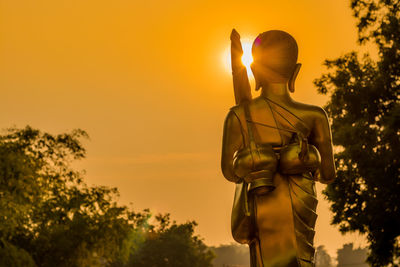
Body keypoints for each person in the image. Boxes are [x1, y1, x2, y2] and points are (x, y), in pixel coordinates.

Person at [221, 30, 336, 267]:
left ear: (255, 72)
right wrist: (306, 161)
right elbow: (328, 175)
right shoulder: (315, 116)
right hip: (298, 201)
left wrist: (252, 161)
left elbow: (229, 172)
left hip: (263, 206)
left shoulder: (238, 116)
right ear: (296, 71)